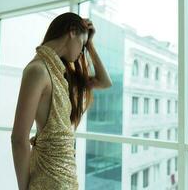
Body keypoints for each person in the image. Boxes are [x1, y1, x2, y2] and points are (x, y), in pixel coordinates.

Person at [10, 12, 112, 190]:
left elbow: (105, 82)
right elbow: (18, 138)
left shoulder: (61, 74)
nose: (82, 51)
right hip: (49, 178)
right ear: (72, 31)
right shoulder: (38, 70)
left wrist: (90, 44)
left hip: (65, 177)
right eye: (82, 44)